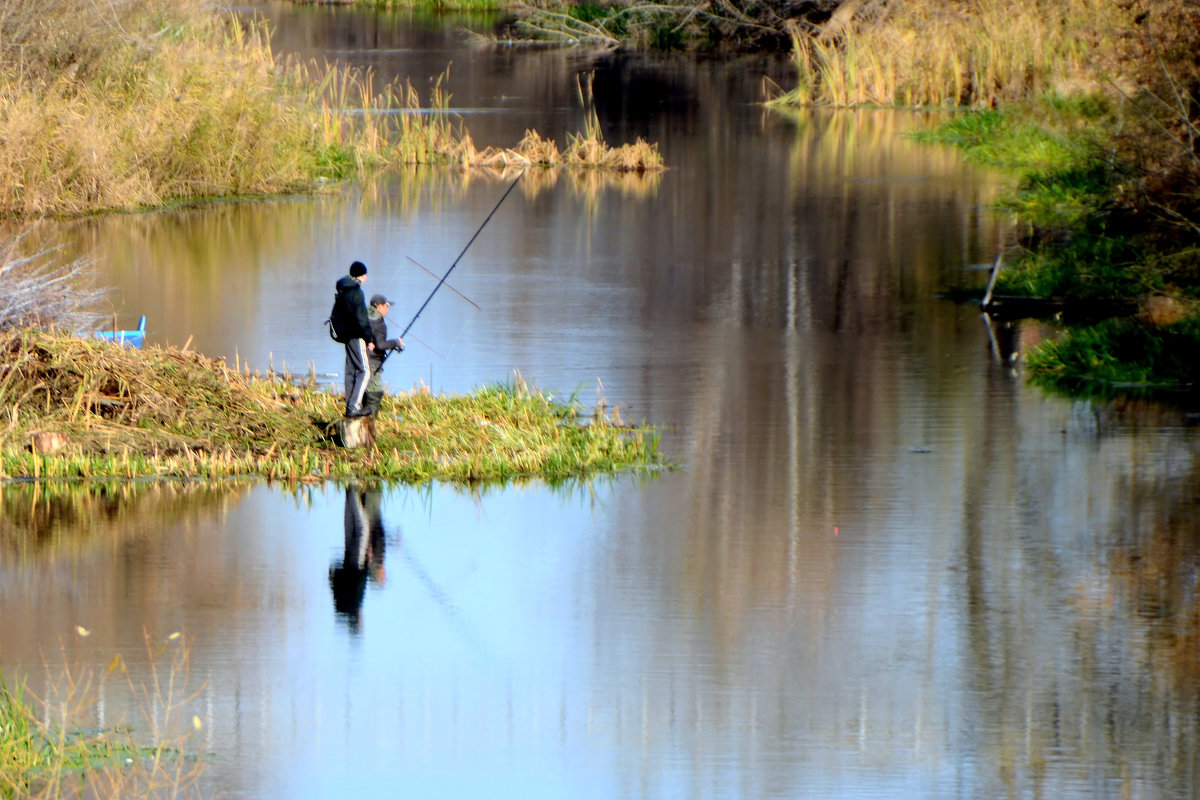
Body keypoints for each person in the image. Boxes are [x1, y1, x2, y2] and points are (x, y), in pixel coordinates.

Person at [329, 484, 388, 634]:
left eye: (361, 622)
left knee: (362, 528)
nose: (363, 619)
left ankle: (352, 488)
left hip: (356, 562)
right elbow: (332, 580)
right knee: (350, 527)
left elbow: (361, 582)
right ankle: (349, 491)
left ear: (357, 621)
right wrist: (335, 570)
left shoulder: (355, 603)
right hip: (347, 560)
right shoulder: (340, 605)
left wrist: (367, 564)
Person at [332, 261, 374, 417]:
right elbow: (362, 319)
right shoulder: (356, 292)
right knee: (365, 371)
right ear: (361, 275)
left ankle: (350, 405)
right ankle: (354, 406)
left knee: (351, 371)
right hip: (356, 335)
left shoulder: (343, 288)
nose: (366, 278)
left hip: (346, 335)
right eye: (365, 275)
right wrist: (369, 338)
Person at [362, 294, 405, 416]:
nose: (387, 309)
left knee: (365, 385)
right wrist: (396, 342)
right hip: (373, 360)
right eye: (386, 306)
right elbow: (380, 345)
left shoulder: (365, 317)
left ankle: (365, 411)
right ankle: (371, 416)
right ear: (379, 307)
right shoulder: (379, 324)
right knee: (376, 388)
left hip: (362, 358)